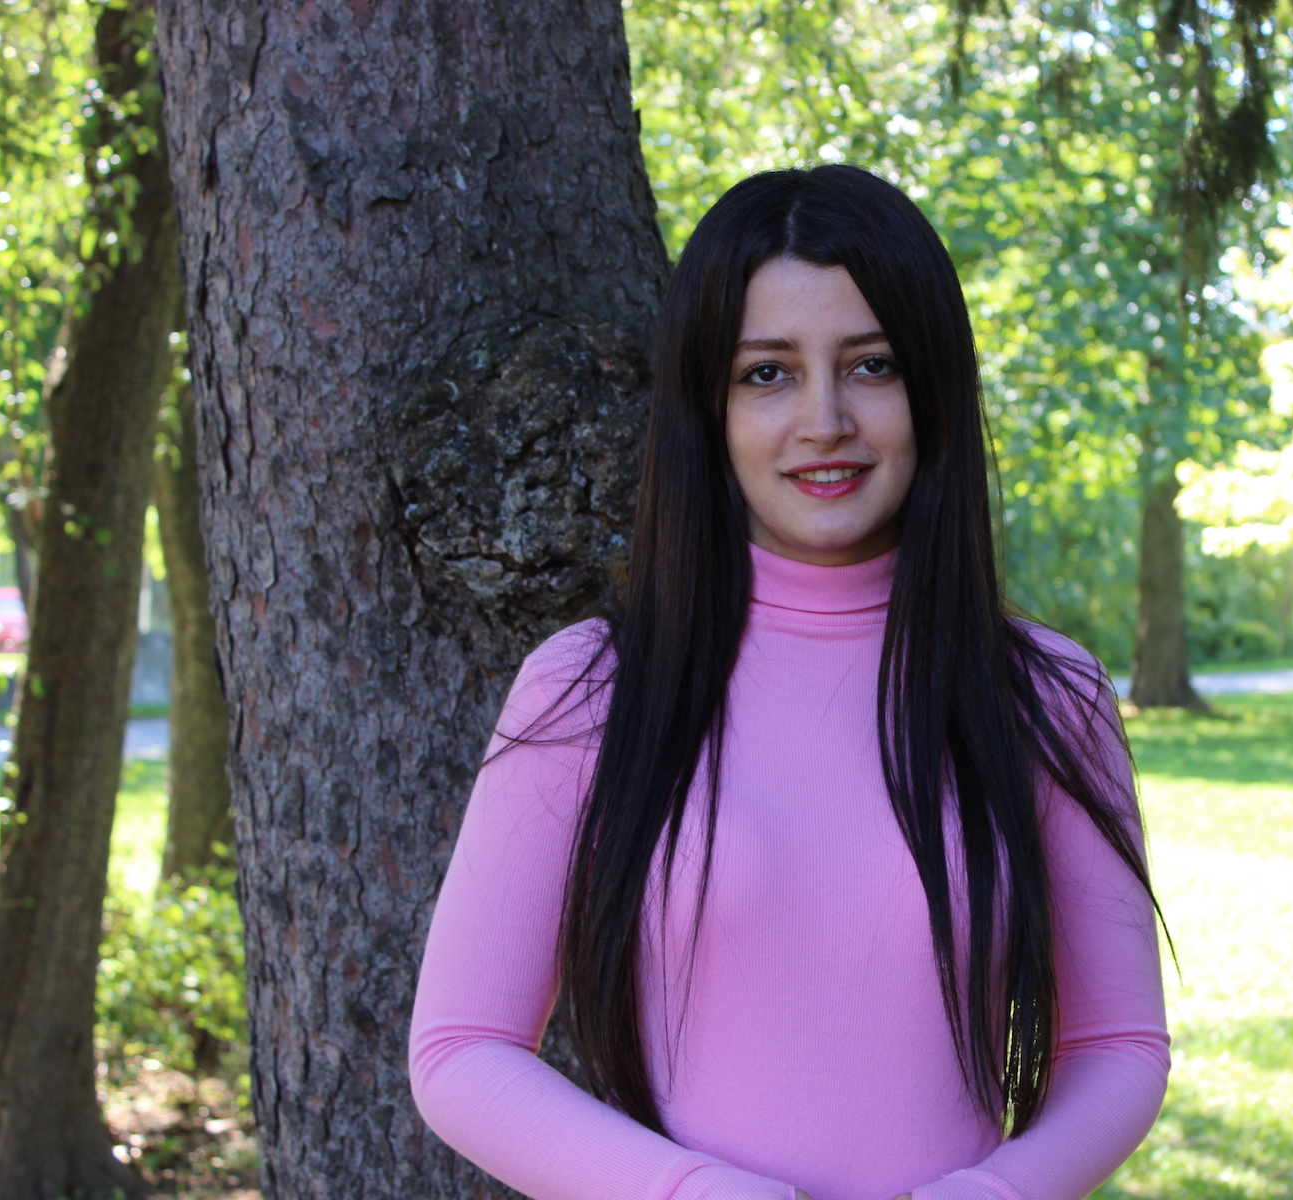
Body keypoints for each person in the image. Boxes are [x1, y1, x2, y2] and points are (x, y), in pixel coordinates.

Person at [408, 166, 1169, 1200]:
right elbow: (461, 1049)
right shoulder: (592, 689)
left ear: (932, 388)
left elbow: (1118, 1044)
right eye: (767, 373)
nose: (824, 420)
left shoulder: (1045, 697)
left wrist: (995, 1194)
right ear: (708, 407)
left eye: (872, 366)